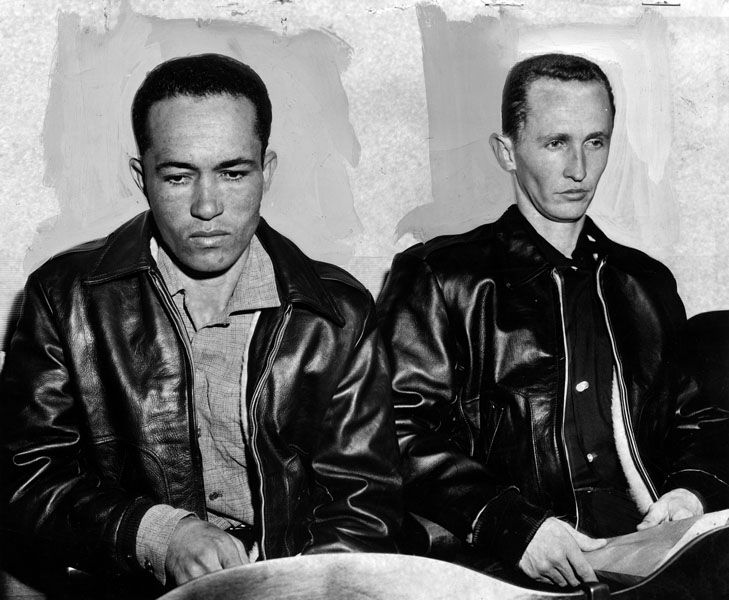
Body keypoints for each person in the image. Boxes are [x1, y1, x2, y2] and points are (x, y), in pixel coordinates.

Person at [0, 53, 402, 596]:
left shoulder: (339, 312)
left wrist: (283, 587)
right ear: (142, 178)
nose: (207, 207)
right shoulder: (64, 297)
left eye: (233, 173)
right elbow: (23, 481)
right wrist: (157, 536)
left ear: (267, 171)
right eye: (178, 176)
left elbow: (364, 505)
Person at [377, 53, 729, 588]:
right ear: (507, 151)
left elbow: (698, 420)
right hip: (502, 564)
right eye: (556, 143)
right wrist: (512, 525)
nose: (579, 169)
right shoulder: (441, 277)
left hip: (652, 555)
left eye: (595, 141)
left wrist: (690, 493)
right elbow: (395, 430)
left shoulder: (646, 283)